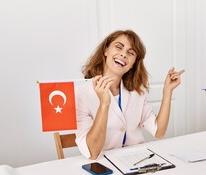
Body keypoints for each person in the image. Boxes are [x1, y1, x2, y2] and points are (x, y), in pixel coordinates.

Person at [75, 30, 185, 160]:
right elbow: (92, 153)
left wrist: (167, 92)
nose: (123, 54)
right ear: (106, 51)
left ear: (133, 64)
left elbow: (159, 131)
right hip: (104, 164)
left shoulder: (137, 92)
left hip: (138, 160)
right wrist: (104, 104)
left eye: (130, 53)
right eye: (118, 47)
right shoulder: (80, 94)